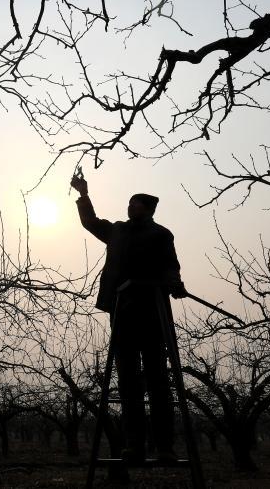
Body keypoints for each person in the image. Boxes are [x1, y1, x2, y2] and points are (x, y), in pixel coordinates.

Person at [70, 170, 187, 464]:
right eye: (130, 203)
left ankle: (164, 447)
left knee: (159, 381)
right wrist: (83, 195)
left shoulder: (161, 234)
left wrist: (174, 284)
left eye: (136, 204)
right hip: (122, 310)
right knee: (128, 382)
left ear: (148, 210)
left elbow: (171, 265)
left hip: (153, 311)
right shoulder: (118, 230)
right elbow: (91, 223)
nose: (130, 206)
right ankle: (133, 445)